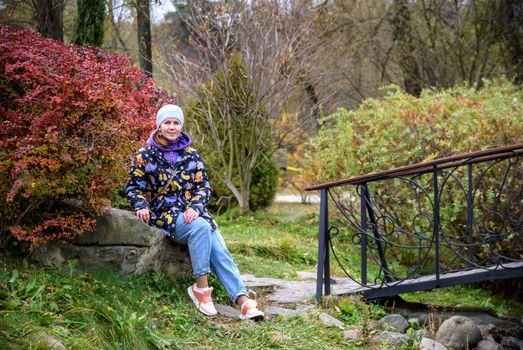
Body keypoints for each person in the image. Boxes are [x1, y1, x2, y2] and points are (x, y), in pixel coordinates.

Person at [126, 104, 264, 321]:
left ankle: (243, 301)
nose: (172, 127)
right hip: (164, 215)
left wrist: (194, 207)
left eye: (176, 122)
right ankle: (201, 290)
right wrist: (140, 204)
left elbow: (203, 187)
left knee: (218, 247)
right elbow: (134, 187)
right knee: (200, 226)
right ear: (159, 126)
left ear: (181, 126)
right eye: (167, 122)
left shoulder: (192, 155)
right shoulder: (144, 154)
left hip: (192, 213)